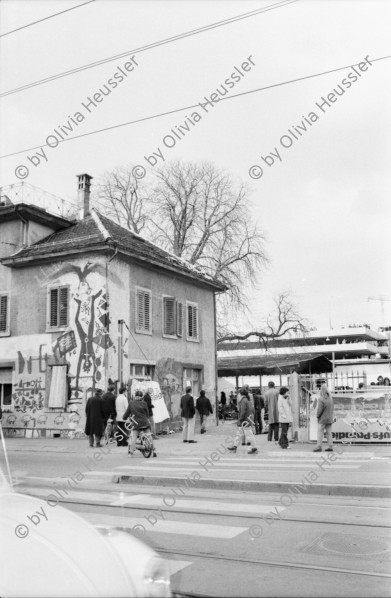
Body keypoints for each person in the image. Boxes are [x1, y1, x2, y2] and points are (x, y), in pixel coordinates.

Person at [123, 390, 156, 457]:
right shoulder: (144, 403)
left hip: (136, 424)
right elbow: (147, 414)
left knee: (134, 436)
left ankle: (131, 452)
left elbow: (126, 413)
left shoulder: (131, 403)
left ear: (135, 396)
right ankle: (154, 451)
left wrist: (124, 418)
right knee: (149, 436)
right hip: (145, 423)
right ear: (142, 397)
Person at [227, 388, 258, 454]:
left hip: (245, 421)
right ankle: (235, 447)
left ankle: (254, 448)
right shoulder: (246, 400)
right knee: (239, 434)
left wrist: (240, 420)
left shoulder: (243, 400)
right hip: (246, 420)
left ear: (240, 394)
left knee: (249, 435)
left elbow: (243, 412)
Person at [313, 383, 334, 452]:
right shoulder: (331, 398)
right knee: (329, 433)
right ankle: (330, 446)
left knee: (320, 433)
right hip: (329, 418)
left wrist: (317, 416)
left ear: (321, 391)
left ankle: (319, 447)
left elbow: (319, 410)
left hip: (322, 419)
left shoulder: (321, 399)